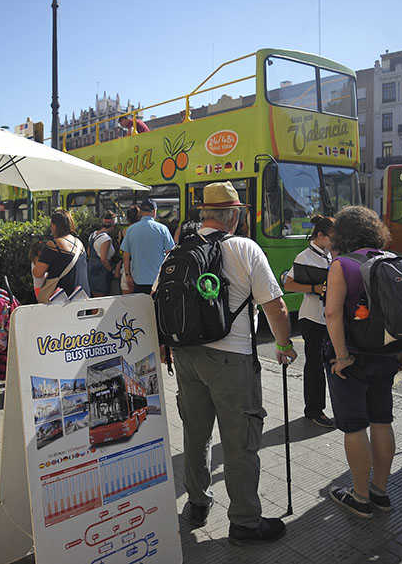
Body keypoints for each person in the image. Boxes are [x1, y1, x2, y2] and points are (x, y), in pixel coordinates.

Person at [173, 182, 295, 545]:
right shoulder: (244, 248)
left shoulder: (178, 250)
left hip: (186, 357)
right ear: (234, 215)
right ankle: (244, 521)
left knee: (195, 433)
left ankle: (196, 504)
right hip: (232, 358)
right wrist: (285, 344)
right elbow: (275, 306)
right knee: (240, 439)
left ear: (204, 214)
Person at [323, 206, 402, 518]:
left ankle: (360, 497)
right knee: (381, 420)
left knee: (354, 427)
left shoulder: (343, 264)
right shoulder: (393, 260)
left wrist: (341, 356)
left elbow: (333, 314)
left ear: (342, 234)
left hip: (354, 356)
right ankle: (380, 490)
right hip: (387, 354)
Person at [282, 215, 336, 428]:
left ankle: (327, 407)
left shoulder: (329, 254)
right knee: (314, 365)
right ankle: (314, 410)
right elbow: (289, 284)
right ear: (320, 236)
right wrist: (315, 288)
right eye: (332, 237)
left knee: (330, 361)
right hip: (312, 318)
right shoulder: (304, 257)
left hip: (330, 317)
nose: (335, 241)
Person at [32, 209, 90, 299]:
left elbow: (38, 273)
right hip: (82, 295)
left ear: (54, 226)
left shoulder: (53, 245)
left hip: (62, 298)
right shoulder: (79, 243)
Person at [121, 199, 175, 294]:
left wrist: (127, 275)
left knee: (140, 307)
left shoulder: (130, 230)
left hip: (137, 279)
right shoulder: (163, 229)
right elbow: (170, 254)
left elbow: (126, 255)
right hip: (157, 280)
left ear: (141, 212)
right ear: (154, 211)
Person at [87, 212, 117, 296]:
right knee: (101, 301)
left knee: (95, 301)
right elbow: (103, 259)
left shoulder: (92, 235)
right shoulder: (106, 239)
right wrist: (112, 270)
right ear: (113, 225)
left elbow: (89, 253)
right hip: (101, 274)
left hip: (91, 271)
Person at [118, 206, 140, 294]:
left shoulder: (123, 231)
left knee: (127, 300)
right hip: (139, 266)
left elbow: (122, 251)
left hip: (126, 267)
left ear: (127, 218)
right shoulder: (140, 230)